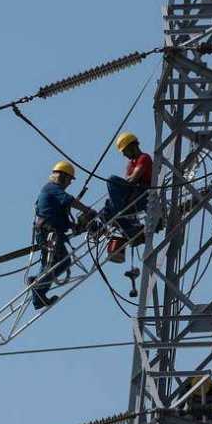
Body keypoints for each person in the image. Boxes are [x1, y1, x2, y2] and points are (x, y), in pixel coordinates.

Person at [31, 161, 95, 309]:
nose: (70, 183)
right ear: (63, 176)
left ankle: (38, 285)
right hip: (49, 231)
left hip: (49, 231)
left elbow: (62, 218)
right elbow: (70, 200)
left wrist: (75, 227)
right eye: (69, 180)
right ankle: (38, 288)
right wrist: (87, 210)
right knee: (61, 262)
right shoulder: (52, 188)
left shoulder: (53, 192)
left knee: (52, 263)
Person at [100, 132, 152, 235]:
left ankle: (122, 219)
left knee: (112, 180)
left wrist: (128, 181)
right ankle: (121, 222)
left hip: (143, 194)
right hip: (133, 194)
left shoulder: (144, 158)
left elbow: (133, 179)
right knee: (106, 209)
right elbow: (128, 180)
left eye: (125, 151)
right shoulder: (130, 164)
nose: (124, 155)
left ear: (132, 147)